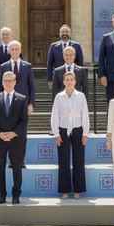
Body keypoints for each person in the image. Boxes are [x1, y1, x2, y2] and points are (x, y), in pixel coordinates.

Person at [0, 71, 29, 204]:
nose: (8, 83)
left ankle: (16, 195)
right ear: (2, 83)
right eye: (5, 80)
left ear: (15, 82)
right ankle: (2, 195)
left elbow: (24, 120)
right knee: (0, 168)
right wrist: (0, 134)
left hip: (16, 140)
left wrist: (13, 133)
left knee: (17, 168)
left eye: (10, 80)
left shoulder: (22, 99)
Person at [50, 70, 90, 198]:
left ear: (75, 81)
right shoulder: (59, 96)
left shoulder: (81, 96)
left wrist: (85, 133)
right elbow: (54, 115)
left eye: (71, 79)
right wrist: (56, 134)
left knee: (79, 160)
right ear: (63, 82)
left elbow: (85, 114)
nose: (69, 81)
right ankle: (65, 190)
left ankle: (78, 190)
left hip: (78, 129)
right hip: (63, 129)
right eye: (66, 79)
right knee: (64, 161)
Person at [0, 40, 35, 116]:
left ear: (20, 51)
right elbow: (0, 87)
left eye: (16, 49)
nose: (14, 51)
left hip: (24, 102)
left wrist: (31, 104)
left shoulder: (28, 66)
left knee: (23, 126)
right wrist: (0, 103)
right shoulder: (3, 67)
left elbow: (31, 86)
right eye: (12, 49)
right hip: (8, 102)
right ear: (9, 51)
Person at [0, 27, 14, 93]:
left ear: (10, 35)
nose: (5, 36)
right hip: (0, 81)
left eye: (7, 34)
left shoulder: (15, 48)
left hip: (13, 80)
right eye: (3, 34)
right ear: (0, 36)